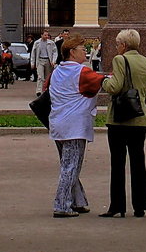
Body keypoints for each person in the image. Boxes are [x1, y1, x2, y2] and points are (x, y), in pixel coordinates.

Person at [46, 33, 105, 218]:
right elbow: (102, 81)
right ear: (72, 52)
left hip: (57, 123)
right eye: (82, 49)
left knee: (68, 164)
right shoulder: (82, 72)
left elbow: (46, 90)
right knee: (71, 167)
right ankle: (62, 204)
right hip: (74, 126)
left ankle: (78, 201)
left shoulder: (56, 72)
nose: (85, 52)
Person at [101, 28, 146, 217]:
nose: (116, 47)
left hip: (120, 119)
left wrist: (103, 82)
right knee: (138, 162)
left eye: (117, 44)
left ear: (123, 45)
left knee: (118, 163)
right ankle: (140, 206)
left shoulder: (120, 59)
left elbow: (115, 87)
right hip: (140, 117)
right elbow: (145, 88)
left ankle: (117, 206)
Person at [31, 31, 58, 95]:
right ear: (41, 35)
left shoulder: (51, 43)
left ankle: (46, 90)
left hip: (48, 61)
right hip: (40, 60)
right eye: (45, 35)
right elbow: (33, 53)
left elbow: (55, 52)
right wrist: (32, 62)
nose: (46, 36)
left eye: (47, 35)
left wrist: (53, 61)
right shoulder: (37, 43)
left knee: (47, 77)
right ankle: (39, 91)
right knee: (40, 76)